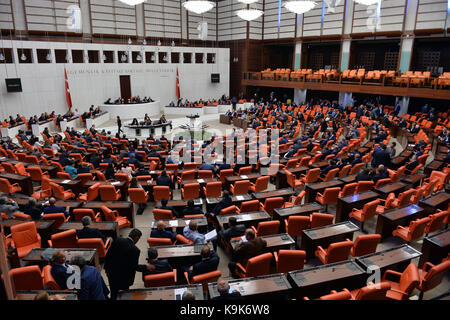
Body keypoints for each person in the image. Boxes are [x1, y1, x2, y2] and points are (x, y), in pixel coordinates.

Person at [104, 228, 142, 300]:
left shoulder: (118, 240)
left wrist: (106, 269)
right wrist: (146, 267)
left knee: (113, 293)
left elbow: (108, 255)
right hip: (124, 279)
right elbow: (134, 266)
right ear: (137, 238)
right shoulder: (135, 250)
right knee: (124, 296)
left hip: (111, 274)